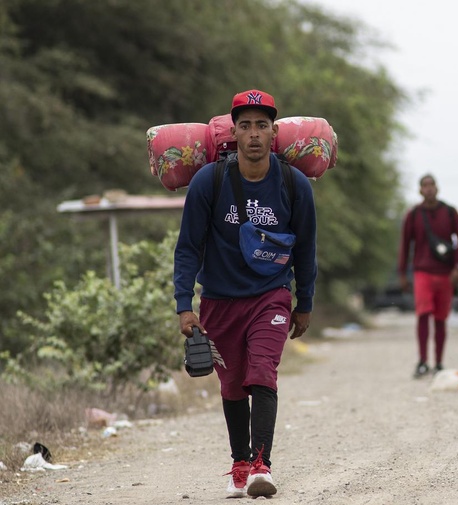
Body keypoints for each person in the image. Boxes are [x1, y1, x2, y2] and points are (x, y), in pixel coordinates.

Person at [173, 89, 317, 499]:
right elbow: (187, 247)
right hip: (218, 300)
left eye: (262, 125)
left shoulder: (294, 185)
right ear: (233, 133)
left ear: (274, 133)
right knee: (233, 385)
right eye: (246, 126)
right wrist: (185, 305)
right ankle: (239, 462)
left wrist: (303, 302)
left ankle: (261, 464)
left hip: (270, 296)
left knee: (261, 374)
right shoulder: (209, 181)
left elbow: (306, 249)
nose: (254, 134)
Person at [398, 174, 458, 378]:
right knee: (423, 314)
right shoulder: (414, 215)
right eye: (425, 186)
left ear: (437, 188)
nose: (429, 189)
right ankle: (422, 361)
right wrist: (402, 272)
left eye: (432, 185)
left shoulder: (450, 212)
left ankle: (438, 362)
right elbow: (405, 244)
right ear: (420, 190)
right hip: (422, 272)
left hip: (446, 273)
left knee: (440, 318)